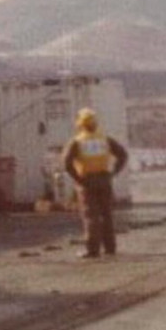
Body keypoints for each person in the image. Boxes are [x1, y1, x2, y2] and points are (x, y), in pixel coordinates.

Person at [63, 108, 128, 258]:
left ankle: (92, 249)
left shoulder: (77, 142)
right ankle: (110, 247)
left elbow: (67, 163)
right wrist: (113, 172)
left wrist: (78, 179)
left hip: (87, 181)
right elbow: (122, 155)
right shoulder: (105, 139)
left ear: (80, 124)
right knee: (106, 214)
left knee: (91, 215)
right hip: (104, 179)